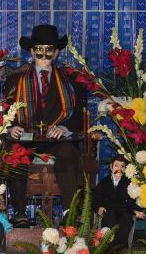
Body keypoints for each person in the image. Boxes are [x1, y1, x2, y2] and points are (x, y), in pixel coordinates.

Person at [5, 24, 86, 226]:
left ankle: (69, 213)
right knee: (15, 152)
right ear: (32, 52)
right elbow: (4, 113)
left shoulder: (71, 82)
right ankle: (20, 213)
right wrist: (11, 127)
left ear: (56, 52)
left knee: (68, 150)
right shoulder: (14, 81)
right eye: (38, 50)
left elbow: (78, 116)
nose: (43, 55)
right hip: (25, 138)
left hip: (56, 140)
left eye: (48, 50)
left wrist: (64, 128)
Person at [92, 155, 145, 251]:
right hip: (108, 213)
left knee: (126, 220)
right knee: (109, 221)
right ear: (111, 167)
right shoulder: (103, 183)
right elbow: (95, 198)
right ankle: (108, 251)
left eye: (122, 166)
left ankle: (121, 250)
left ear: (125, 169)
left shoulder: (129, 183)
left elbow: (132, 201)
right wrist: (98, 207)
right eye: (116, 166)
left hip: (124, 212)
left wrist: (136, 210)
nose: (119, 169)